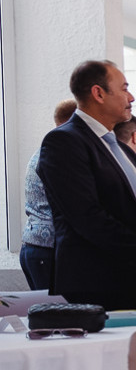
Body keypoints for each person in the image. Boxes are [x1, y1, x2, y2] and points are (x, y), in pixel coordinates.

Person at [37, 60, 136, 310]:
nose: (132, 96)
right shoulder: (63, 142)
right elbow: (87, 217)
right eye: (124, 88)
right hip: (97, 282)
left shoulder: (119, 148)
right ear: (98, 93)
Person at [20, 99, 76, 290]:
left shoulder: (44, 148)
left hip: (35, 244)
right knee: (55, 316)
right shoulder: (57, 151)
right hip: (47, 248)